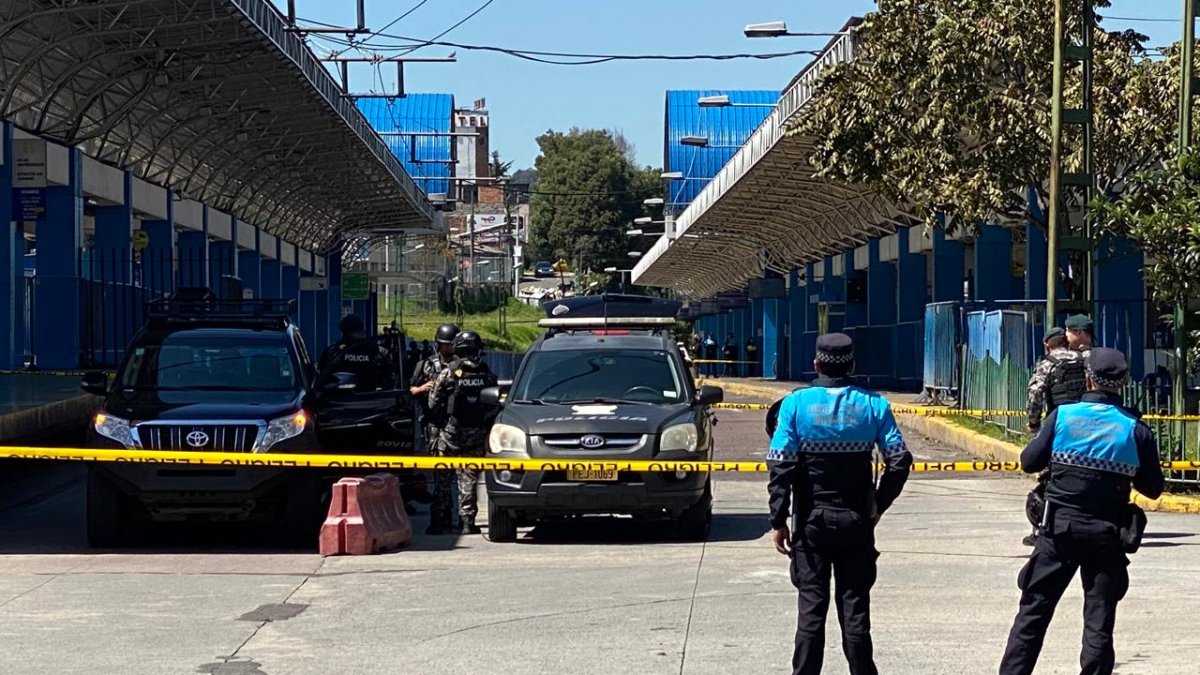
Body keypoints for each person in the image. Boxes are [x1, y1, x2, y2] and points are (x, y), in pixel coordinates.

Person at [998, 348, 1164, 675]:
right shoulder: (1136, 430)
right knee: (1098, 620)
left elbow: (1029, 462)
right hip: (1107, 535)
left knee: (1032, 614)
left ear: (1088, 377)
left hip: (1058, 531)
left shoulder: (1062, 417)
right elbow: (1153, 488)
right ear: (1124, 382)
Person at [768, 333, 913, 675]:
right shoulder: (874, 404)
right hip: (857, 520)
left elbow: (780, 464)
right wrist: (878, 504)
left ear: (816, 364)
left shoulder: (795, 404)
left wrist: (778, 519)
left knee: (811, 612)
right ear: (852, 365)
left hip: (810, 521)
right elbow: (900, 459)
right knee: (855, 612)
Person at [1024, 325, 1089, 547]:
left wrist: (1033, 423)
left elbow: (1035, 395)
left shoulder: (1047, 364)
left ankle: (1042, 526)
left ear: (1047, 345)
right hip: (1086, 424)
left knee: (1048, 476)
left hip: (1058, 424)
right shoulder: (1084, 360)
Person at [428, 330, 498, 535]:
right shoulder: (487, 373)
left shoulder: (449, 372)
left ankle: (439, 522)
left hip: (451, 433)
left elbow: (433, 403)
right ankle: (467, 522)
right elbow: (494, 404)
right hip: (476, 432)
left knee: (443, 478)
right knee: (469, 478)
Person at [409, 323, 459, 534]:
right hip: (433, 426)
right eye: (447, 345)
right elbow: (409, 389)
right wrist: (422, 388)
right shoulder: (425, 365)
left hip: (454, 425)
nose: (449, 348)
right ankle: (441, 517)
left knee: (459, 475)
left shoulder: (460, 365)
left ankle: (455, 517)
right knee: (440, 474)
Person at [316, 314, 395, 391]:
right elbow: (387, 374)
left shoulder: (334, 351)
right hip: (369, 399)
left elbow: (321, 375)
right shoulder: (371, 349)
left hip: (338, 400)